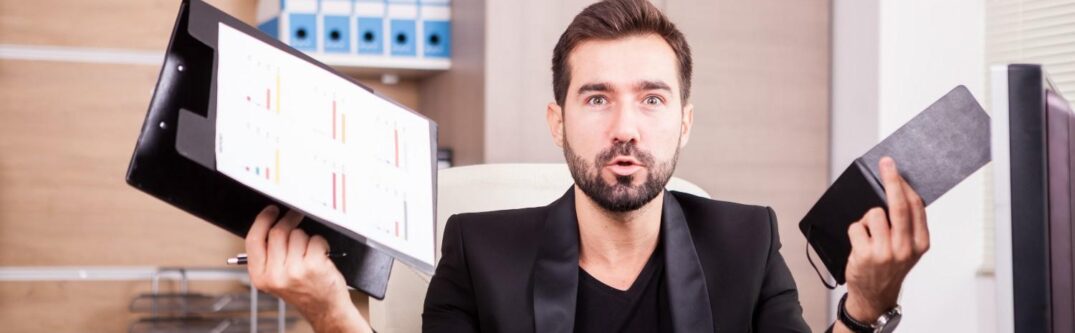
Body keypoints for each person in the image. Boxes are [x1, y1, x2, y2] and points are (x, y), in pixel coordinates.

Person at [243, 0, 931, 332]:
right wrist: (332, 312)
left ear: (683, 123)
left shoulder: (745, 242)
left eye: (652, 99)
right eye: (596, 97)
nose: (625, 128)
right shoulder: (478, 250)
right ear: (558, 120)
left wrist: (866, 304)